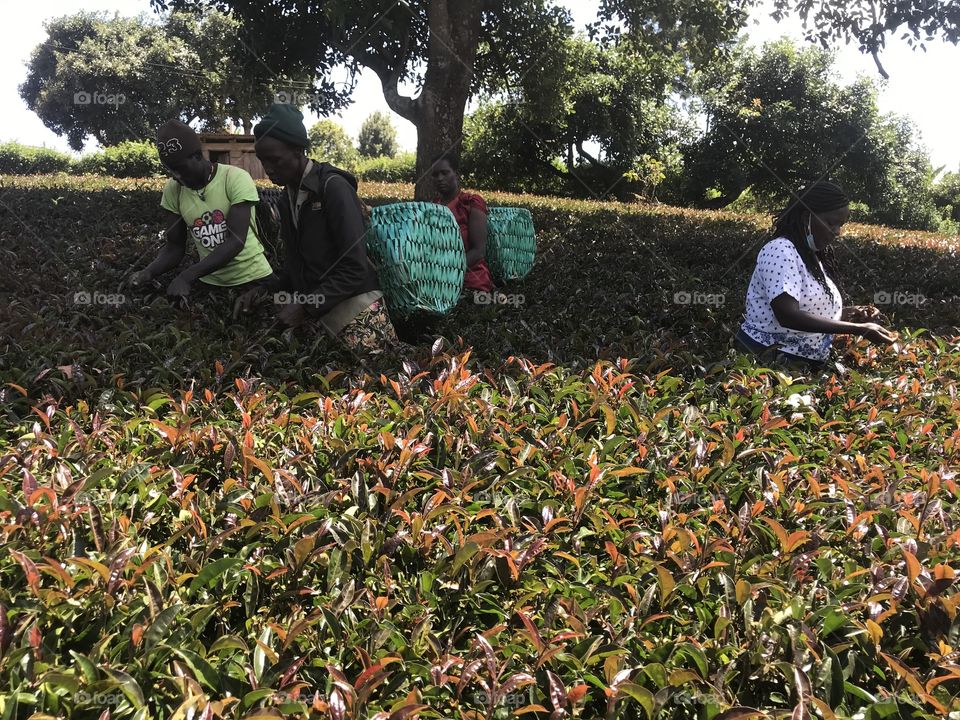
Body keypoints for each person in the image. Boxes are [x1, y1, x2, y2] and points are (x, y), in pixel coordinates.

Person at [234, 103, 399, 356]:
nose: (268, 169)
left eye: (275, 160)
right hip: (321, 314)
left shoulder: (333, 188)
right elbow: (295, 266)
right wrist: (264, 289)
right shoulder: (286, 199)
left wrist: (305, 306)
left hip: (356, 311)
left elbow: (355, 267)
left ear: (299, 150)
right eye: (263, 160)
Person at [735, 180, 898, 369]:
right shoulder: (780, 250)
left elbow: (809, 311)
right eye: (831, 223)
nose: (837, 232)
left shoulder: (809, 255)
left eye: (840, 225)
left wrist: (849, 314)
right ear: (806, 217)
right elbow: (787, 315)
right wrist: (859, 329)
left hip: (800, 364)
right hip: (769, 361)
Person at [130, 119, 275, 300]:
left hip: (255, 280)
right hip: (210, 283)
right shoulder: (173, 190)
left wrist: (187, 276)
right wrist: (147, 273)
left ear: (198, 156)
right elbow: (175, 246)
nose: (176, 177)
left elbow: (236, 241)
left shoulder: (234, 178)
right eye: (171, 171)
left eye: (180, 169)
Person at [431, 153, 494, 295]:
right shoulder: (432, 207)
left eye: (445, 173)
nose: (440, 178)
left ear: (456, 174)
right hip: (436, 281)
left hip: (470, 278)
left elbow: (478, 251)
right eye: (435, 175)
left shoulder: (470, 203)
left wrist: (446, 271)